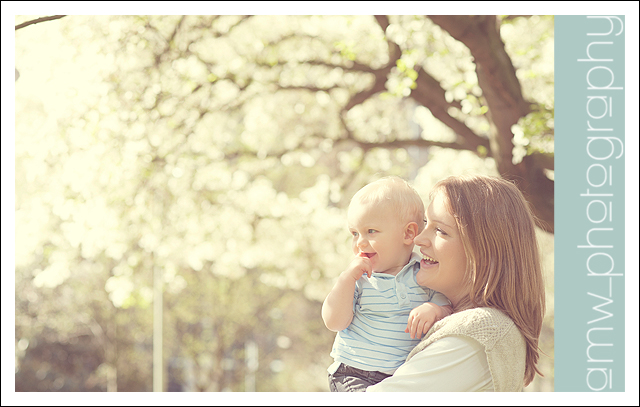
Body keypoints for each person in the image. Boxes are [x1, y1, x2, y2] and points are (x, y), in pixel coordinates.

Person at [367, 174, 546, 392]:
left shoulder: (475, 334)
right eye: (426, 224)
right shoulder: (477, 327)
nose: (418, 239)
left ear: (484, 252)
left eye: (440, 230)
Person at [321, 176, 453, 392]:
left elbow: (447, 306)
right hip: (353, 372)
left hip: (398, 378)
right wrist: (345, 279)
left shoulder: (423, 274)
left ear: (408, 233)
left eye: (371, 231)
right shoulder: (359, 278)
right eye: (354, 233)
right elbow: (334, 322)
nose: (360, 242)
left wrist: (434, 309)